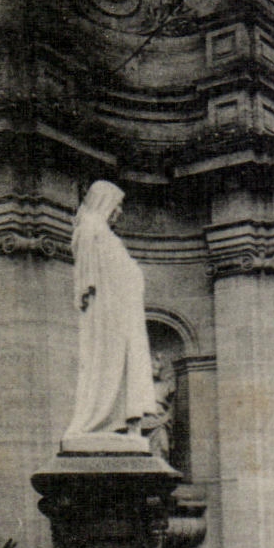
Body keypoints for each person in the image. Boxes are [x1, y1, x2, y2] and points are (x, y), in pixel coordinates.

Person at [63, 180, 158, 445]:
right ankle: (100, 421)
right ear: (104, 203)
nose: (120, 212)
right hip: (108, 315)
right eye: (117, 205)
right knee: (109, 365)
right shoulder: (92, 228)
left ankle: (123, 423)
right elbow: (90, 280)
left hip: (122, 314)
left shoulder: (103, 232)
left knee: (126, 366)